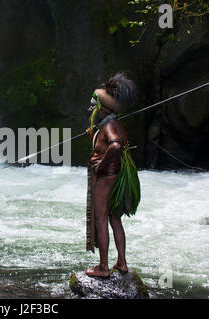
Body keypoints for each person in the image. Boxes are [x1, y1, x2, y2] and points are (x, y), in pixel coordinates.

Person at [84, 72, 137, 277]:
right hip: (116, 178)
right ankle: (121, 263)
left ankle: (103, 267)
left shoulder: (109, 126)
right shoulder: (112, 125)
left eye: (94, 105)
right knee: (115, 219)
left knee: (101, 219)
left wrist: (101, 165)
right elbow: (108, 141)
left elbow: (114, 145)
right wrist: (95, 134)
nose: (91, 109)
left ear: (103, 108)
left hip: (107, 178)